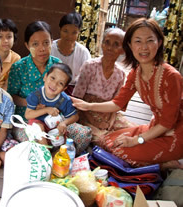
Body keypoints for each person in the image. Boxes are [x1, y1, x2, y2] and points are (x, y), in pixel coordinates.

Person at [72, 18, 183, 169]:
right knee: (109, 142)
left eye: (150, 40)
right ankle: (156, 161)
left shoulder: (172, 76)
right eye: (138, 41)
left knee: (122, 151)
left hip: (175, 135)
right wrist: (88, 105)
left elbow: (167, 123)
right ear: (130, 46)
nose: (144, 47)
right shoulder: (135, 73)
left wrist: (137, 140)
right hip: (154, 127)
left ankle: (165, 163)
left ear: (160, 42)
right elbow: (118, 103)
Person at [7, 21, 92, 153]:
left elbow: (62, 95)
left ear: (52, 42)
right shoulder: (19, 68)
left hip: (55, 120)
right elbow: (11, 96)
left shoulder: (56, 64)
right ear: (27, 46)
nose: (42, 48)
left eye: (46, 43)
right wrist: (33, 104)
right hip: (27, 120)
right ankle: (49, 156)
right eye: (35, 44)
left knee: (82, 135)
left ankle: (58, 156)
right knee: (33, 141)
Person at [72, 28, 135, 142]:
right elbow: (77, 98)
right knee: (105, 140)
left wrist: (111, 120)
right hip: (86, 113)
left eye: (116, 44)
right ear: (102, 45)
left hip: (108, 113)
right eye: (107, 42)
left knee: (133, 131)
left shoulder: (120, 74)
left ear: (122, 50)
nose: (110, 47)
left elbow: (116, 103)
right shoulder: (90, 66)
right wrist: (94, 119)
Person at [25, 63, 79, 146]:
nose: (54, 84)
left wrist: (64, 123)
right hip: (38, 125)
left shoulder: (64, 99)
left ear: (64, 89)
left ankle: (57, 152)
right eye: (52, 78)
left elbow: (75, 116)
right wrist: (46, 110)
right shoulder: (36, 95)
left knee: (68, 140)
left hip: (55, 127)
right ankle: (46, 152)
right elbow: (28, 115)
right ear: (45, 77)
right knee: (38, 127)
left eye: (60, 83)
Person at [51, 12, 91, 95]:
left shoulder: (83, 52)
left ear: (79, 32)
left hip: (73, 90)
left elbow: (86, 77)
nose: (69, 36)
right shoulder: (51, 48)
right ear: (60, 29)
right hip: (51, 87)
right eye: (65, 31)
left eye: (74, 32)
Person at [0, 18, 21, 90]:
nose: (5, 41)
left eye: (9, 37)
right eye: (0, 37)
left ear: (14, 38)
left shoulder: (16, 59)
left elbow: (8, 85)